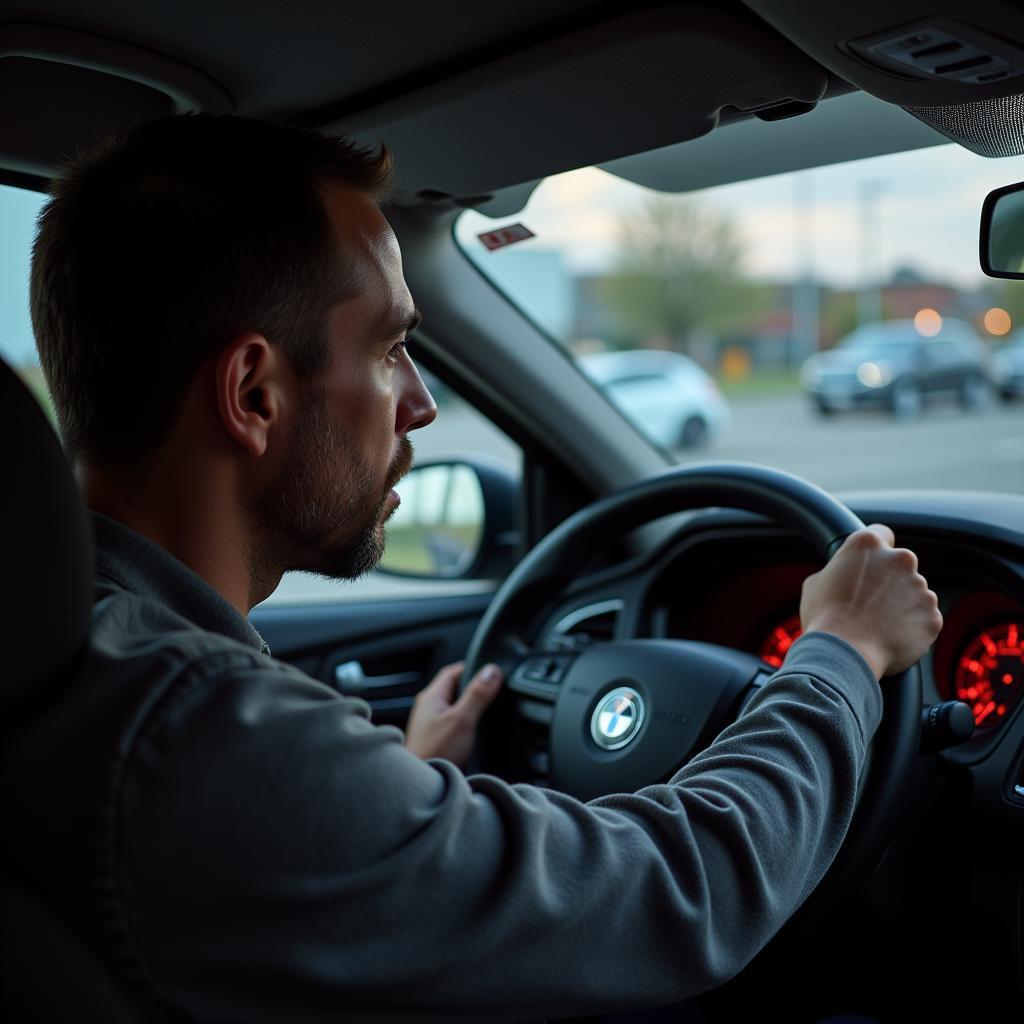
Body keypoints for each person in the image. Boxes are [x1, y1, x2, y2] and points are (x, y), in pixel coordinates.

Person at [10, 113, 941, 1022]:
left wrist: (397, 794)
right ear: (255, 394)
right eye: (390, 348)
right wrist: (843, 652)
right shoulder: (203, 736)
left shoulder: (86, 661)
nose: (419, 404)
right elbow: (682, 893)